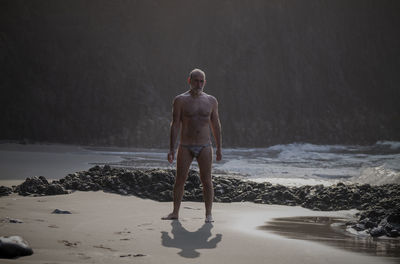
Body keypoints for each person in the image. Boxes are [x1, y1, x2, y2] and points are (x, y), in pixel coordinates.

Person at [162, 68, 222, 223]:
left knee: (206, 180)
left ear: (205, 82)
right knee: (180, 180)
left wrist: (219, 148)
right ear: (189, 81)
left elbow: (216, 125)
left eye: (202, 81)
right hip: (185, 146)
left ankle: (209, 215)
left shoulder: (211, 101)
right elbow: (175, 125)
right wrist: (171, 149)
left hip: (205, 146)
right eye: (196, 80)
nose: (199, 84)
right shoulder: (180, 100)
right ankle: (175, 213)